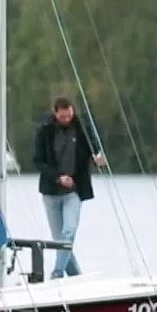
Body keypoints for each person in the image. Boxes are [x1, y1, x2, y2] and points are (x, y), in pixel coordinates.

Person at [33, 96, 106, 278]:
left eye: (69, 115)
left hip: (74, 190)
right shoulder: (45, 131)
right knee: (60, 240)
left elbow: (93, 149)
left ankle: (57, 272)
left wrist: (97, 159)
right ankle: (76, 276)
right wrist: (58, 177)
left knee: (68, 231)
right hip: (51, 191)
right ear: (55, 112)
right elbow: (38, 161)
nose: (67, 119)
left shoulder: (82, 128)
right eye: (63, 116)